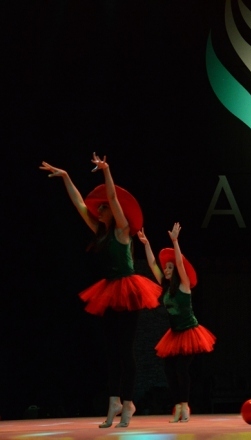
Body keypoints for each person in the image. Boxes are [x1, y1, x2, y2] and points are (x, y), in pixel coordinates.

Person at [40, 154, 162, 428]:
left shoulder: (122, 231)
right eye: (101, 209)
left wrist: (106, 171)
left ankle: (128, 402)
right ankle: (114, 402)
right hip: (108, 291)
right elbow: (79, 204)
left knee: (126, 350)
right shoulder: (99, 231)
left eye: (104, 208)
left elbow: (114, 197)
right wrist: (66, 176)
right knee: (111, 350)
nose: (100, 210)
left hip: (129, 290)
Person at [138, 223, 216, 423]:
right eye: (166, 268)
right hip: (174, 333)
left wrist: (175, 241)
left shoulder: (184, 285)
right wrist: (146, 244)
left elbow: (180, 264)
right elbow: (152, 265)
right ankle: (179, 406)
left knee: (182, 368)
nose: (166, 269)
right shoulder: (165, 286)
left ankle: (185, 406)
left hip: (190, 332)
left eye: (169, 267)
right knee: (168, 369)